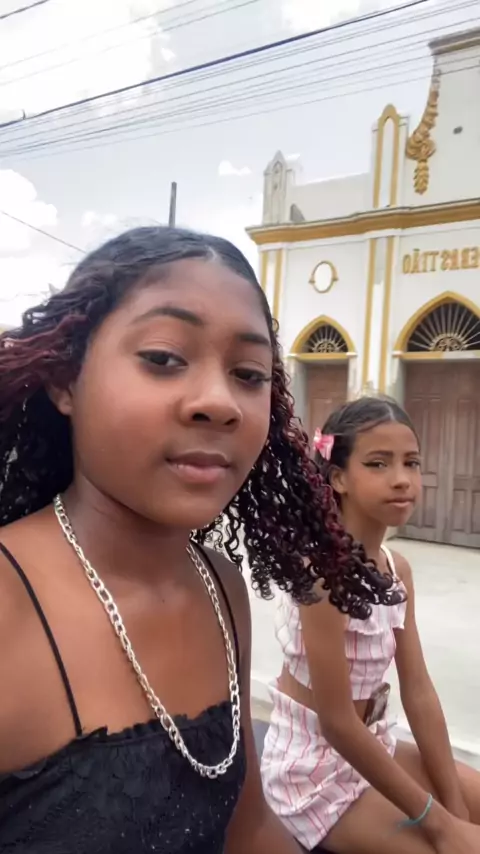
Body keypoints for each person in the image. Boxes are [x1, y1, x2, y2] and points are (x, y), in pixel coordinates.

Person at [0, 228, 394, 854]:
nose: (220, 402)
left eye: (248, 373)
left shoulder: (221, 590)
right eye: (163, 358)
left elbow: (249, 829)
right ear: (65, 381)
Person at [261, 396, 480, 854]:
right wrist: (440, 825)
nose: (402, 479)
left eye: (411, 462)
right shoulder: (322, 578)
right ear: (338, 477)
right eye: (378, 463)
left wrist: (456, 808)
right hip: (314, 773)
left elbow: (418, 691)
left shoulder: (397, 570)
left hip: (374, 747)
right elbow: (338, 724)